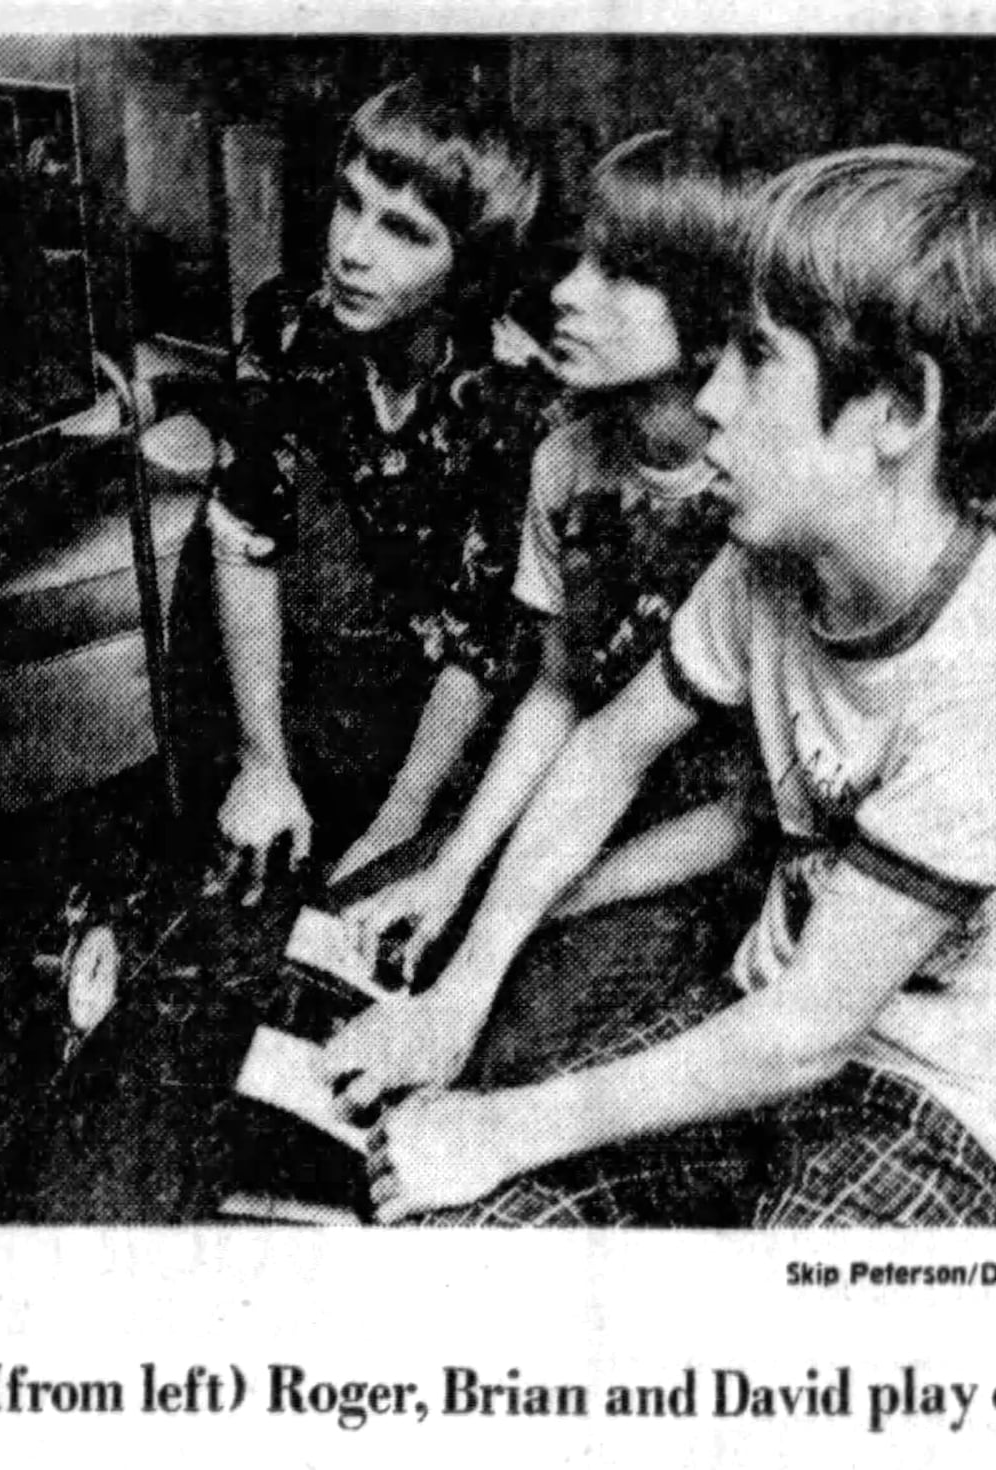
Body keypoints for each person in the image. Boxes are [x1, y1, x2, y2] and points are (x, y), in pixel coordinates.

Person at [320, 145, 996, 1228]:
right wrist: (456, 1002)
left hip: (925, 1102)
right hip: (750, 1021)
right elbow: (608, 746)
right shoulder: (764, 569)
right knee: (456, 1232)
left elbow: (810, 1033)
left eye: (754, 358)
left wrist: (501, 1126)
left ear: (895, 408)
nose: (709, 398)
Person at [345, 131, 764, 991]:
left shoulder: (765, 497)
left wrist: (543, 898)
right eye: (578, 262)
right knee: (355, 931)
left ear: (709, 317)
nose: (566, 294)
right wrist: (454, 872)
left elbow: (746, 812)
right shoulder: (566, 462)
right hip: (569, 811)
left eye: (616, 273)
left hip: (698, 865)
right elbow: (559, 689)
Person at [184, 79, 552, 902]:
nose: (352, 249)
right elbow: (245, 531)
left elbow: (479, 643)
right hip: (302, 667)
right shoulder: (287, 324)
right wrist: (261, 762)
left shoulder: (513, 401)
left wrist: (398, 826)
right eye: (349, 204)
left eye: (405, 233)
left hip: (434, 720)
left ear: (470, 267)